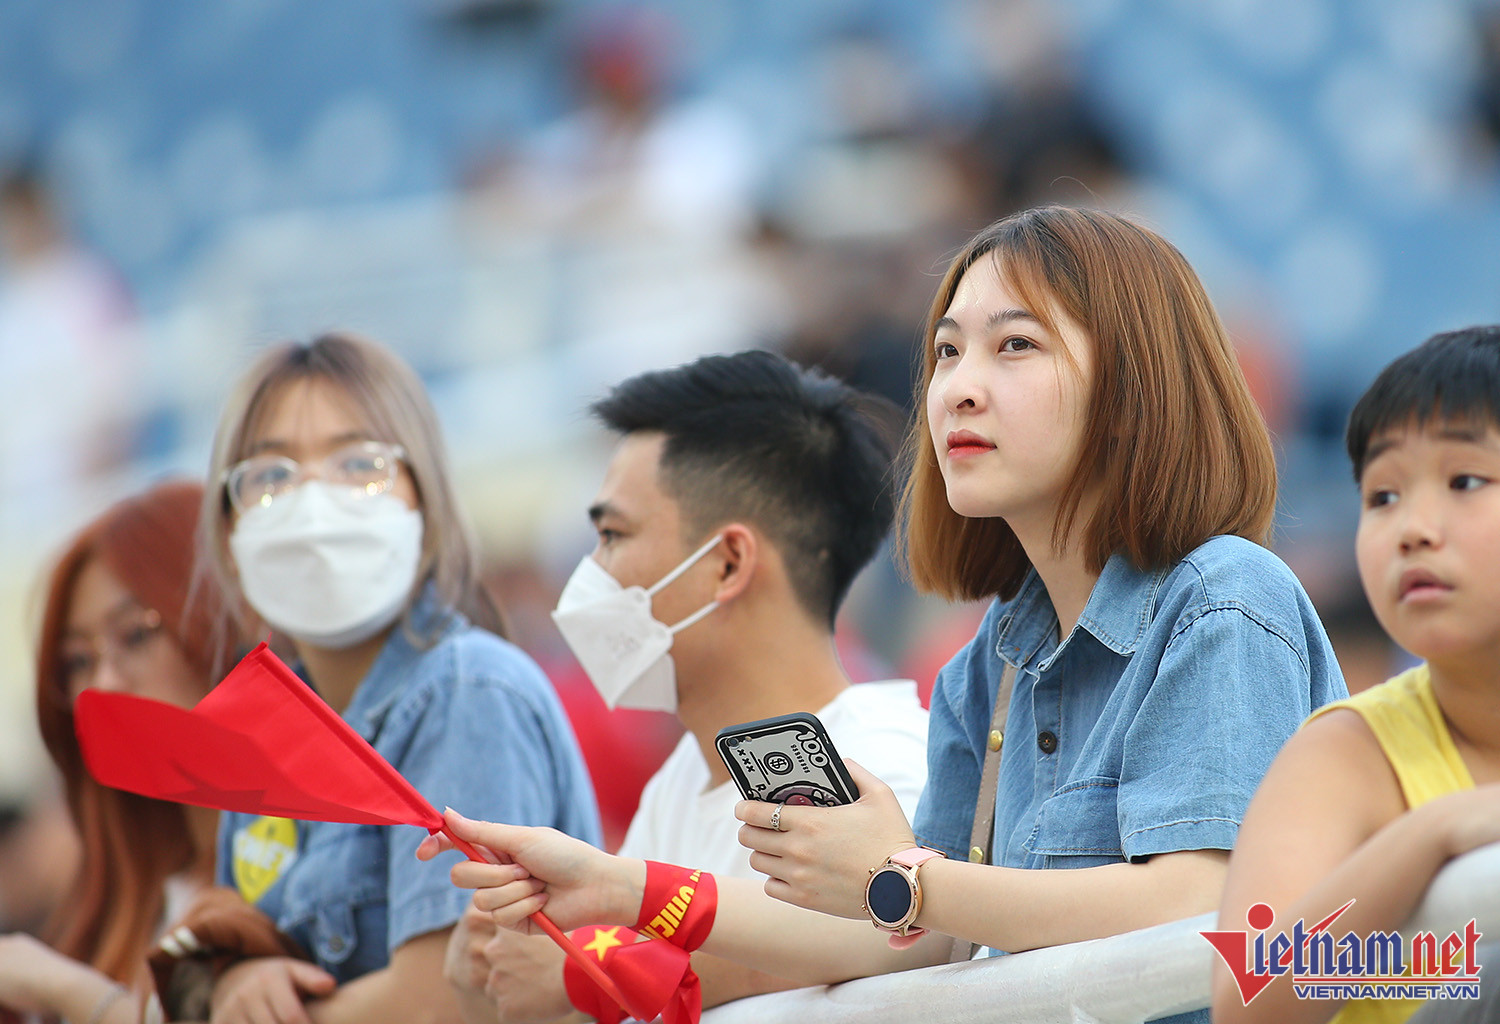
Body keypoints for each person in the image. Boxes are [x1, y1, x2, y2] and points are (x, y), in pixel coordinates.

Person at [420, 206, 1346, 1021]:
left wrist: (905, 878)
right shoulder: (990, 664)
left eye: (1014, 346)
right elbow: (910, 936)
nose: (959, 387)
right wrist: (619, 887)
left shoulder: (1223, 598)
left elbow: (1204, 904)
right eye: (946, 351)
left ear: (1135, 386)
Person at [440, 350, 929, 1023]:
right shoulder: (680, 784)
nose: (587, 577)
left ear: (727, 563)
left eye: (613, 535)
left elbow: (893, 933)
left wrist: (597, 969)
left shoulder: (888, 766)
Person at [198, 333, 601, 1024]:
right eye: (270, 476)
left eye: (359, 464)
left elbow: (448, 1000)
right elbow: (240, 939)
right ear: (230, 534)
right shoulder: (260, 733)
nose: (313, 503)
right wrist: (240, 975)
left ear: (425, 501)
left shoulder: (465, 691)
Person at [1213, 326, 1500, 1024]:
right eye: (1382, 496)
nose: (1413, 529)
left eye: (1464, 481)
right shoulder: (1347, 753)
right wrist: (1434, 833)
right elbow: (1248, 999)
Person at [0, 480, 232, 1024]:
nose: (102, 685)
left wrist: (70, 992)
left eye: (135, 635)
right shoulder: (120, 901)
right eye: (78, 661)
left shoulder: (312, 869)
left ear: (222, 623)